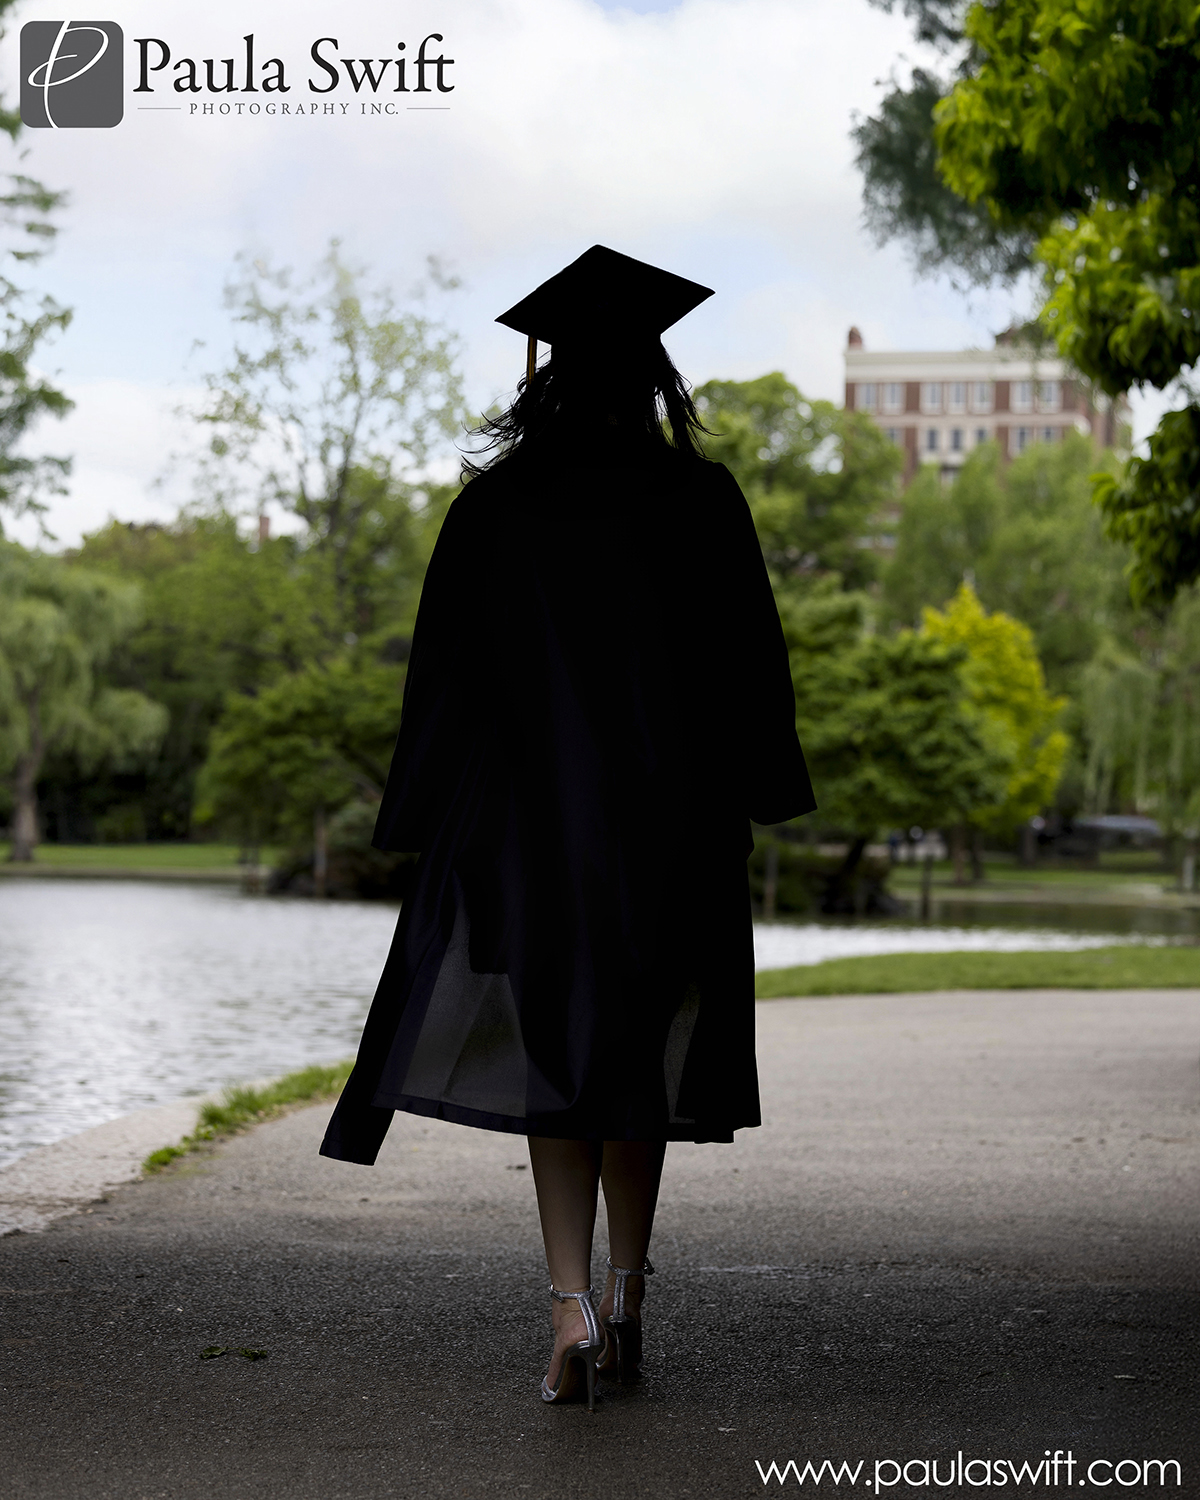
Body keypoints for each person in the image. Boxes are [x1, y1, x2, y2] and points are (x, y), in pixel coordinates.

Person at [320, 245, 815, 1410]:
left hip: (530, 835)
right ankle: (632, 1297)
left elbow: (442, 681)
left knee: (561, 1062)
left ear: (544, 378)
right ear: (652, 375)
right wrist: (761, 789)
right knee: (640, 1054)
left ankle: (569, 1312)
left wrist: (424, 816)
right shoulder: (704, 499)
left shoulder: (494, 509)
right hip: (671, 829)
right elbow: (755, 672)